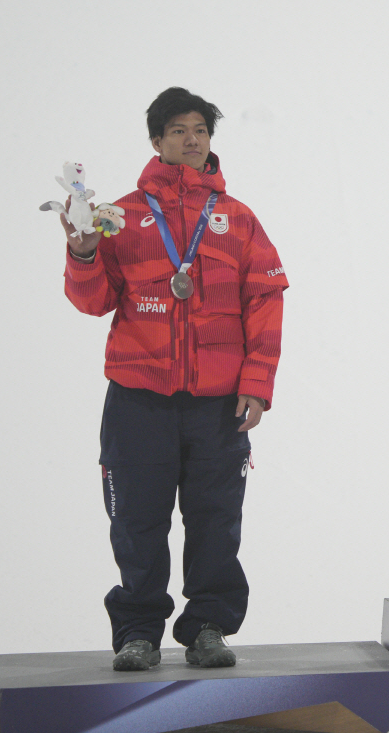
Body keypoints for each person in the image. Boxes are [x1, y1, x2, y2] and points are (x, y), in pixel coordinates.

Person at [59, 87, 288, 671]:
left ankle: (207, 627)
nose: (192, 140)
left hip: (218, 404)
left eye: (201, 131)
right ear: (157, 140)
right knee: (137, 521)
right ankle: (138, 632)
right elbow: (93, 302)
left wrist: (256, 383)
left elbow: (265, 301)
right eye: (179, 131)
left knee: (216, 521)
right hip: (139, 400)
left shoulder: (238, 219)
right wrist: (83, 254)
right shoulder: (119, 216)